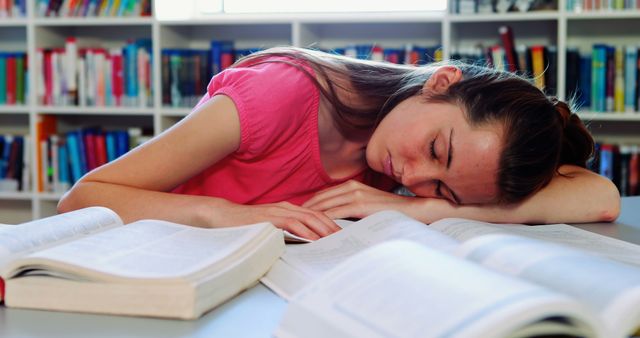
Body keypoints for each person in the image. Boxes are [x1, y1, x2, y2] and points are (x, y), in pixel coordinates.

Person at [57, 47, 620, 240]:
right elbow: (82, 197)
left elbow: (600, 198)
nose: (414, 174)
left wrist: (415, 206)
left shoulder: (403, 176)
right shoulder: (280, 93)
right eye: (436, 151)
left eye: (442, 188)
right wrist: (224, 213)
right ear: (441, 82)